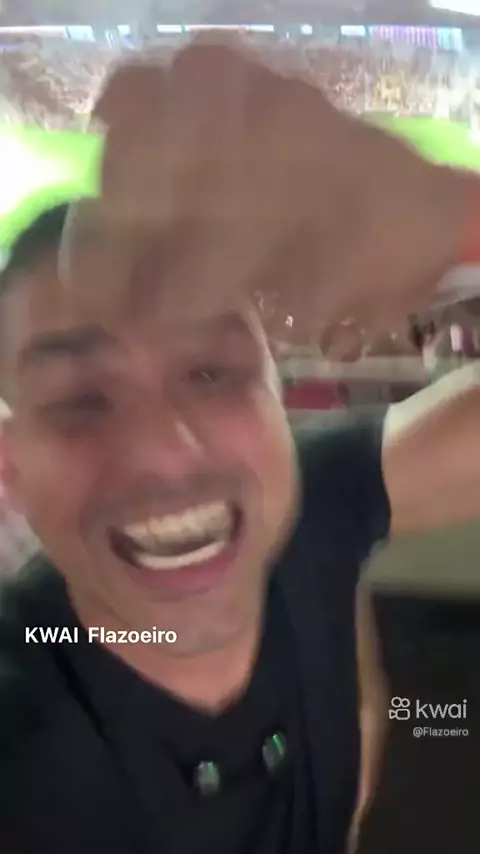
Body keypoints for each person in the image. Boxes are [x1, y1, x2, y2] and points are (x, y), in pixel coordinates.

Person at [2, 40, 480, 854]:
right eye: (80, 401)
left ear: (275, 402)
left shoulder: (309, 506)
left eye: (211, 373)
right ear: (10, 466)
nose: (164, 450)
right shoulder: (26, 736)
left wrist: (458, 221)